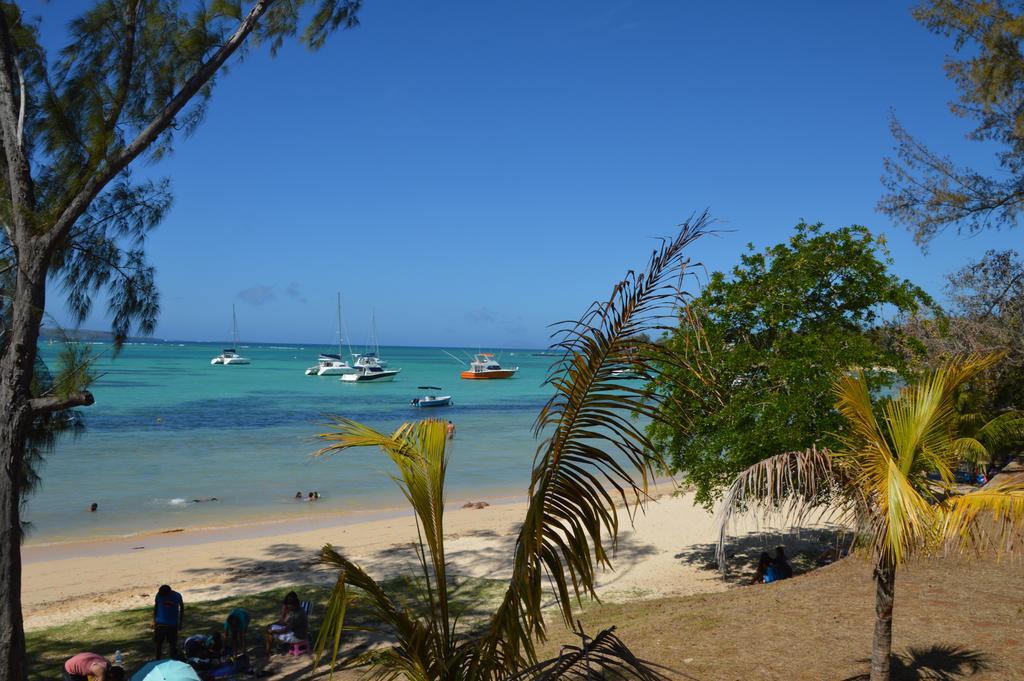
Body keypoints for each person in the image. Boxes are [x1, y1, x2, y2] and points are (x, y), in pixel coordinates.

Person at [153, 584, 184, 659]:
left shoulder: (177, 595)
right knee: (158, 644)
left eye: (163, 595)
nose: (162, 596)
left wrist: (180, 621)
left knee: (172, 644)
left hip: (172, 624)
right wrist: (154, 621)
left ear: (169, 592)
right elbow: (156, 607)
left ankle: (172, 659)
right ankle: (157, 660)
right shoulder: (159, 595)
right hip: (160, 624)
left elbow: (182, 607)